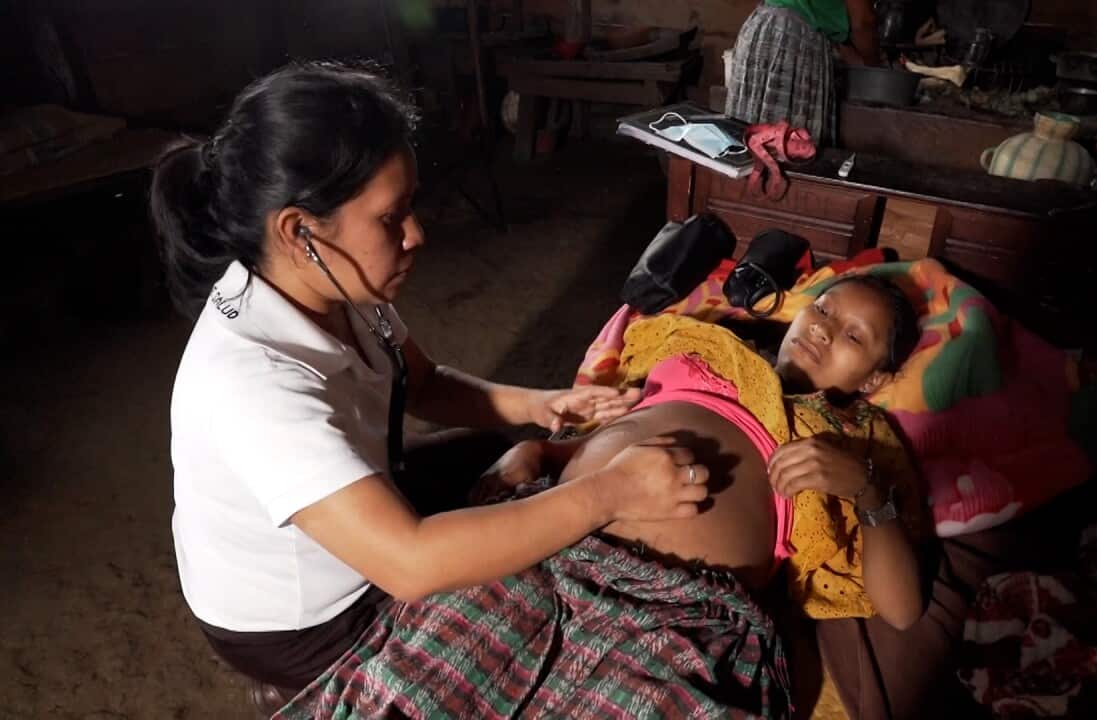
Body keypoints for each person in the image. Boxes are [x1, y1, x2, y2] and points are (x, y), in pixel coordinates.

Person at [152, 61, 713, 699]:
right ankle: (315, 692)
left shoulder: (332, 283)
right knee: (544, 610)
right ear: (299, 231)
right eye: (391, 218)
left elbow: (422, 382)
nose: (416, 235)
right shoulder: (254, 382)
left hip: (373, 497)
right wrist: (612, 493)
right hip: (306, 623)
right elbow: (410, 563)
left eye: (410, 207)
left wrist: (545, 404)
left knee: (514, 467)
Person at [477, 274, 928, 627]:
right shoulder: (709, 351)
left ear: (874, 380)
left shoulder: (856, 440)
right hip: (544, 534)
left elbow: (902, 611)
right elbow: (616, 426)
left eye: (854, 336)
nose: (825, 331)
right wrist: (538, 451)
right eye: (824, 309)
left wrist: (867, 492)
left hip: (674, 619)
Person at [726, 0, 881, 144]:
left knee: (748, 142)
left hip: (760, 26)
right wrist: (874, 65)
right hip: (793, 40)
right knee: (790, 147)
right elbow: (863, 22)